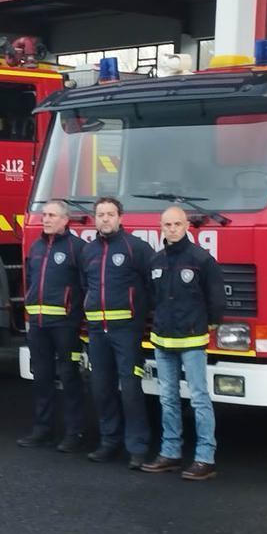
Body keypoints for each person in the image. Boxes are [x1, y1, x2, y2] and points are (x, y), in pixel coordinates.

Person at [141, 206, 225, 481]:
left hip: (192, 340)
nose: (172, 229)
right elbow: (152, 298)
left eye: (177, 224)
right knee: (168, 399)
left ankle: (205, 458)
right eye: (167, 224)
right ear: (160, 227)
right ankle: (170, 453)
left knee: (199, 398)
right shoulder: (156, 261)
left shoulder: (202, 259)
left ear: (187, 225)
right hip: (162, 340)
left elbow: (216, 300)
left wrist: (208, 324)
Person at [80, 196, 154, 469]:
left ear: (120, 217)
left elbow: (151, 285)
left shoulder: (136, 248)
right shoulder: (88, 251)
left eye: (110, 214)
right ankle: (109, 442)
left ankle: (137, 448)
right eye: (101, 214)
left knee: (131, 390)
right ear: (95, 218)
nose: (105, 219)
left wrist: (139, 320)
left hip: (126, 331)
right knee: (101, 388)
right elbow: (84, 286)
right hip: (97, 331)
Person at [17, 200, 88, 452]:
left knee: (69, 378)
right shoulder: (36, 247)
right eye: (44, 214)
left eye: (52, 215)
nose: (45, 219)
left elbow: (85, 287)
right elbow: (30, 283)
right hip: (37, 324)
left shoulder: (77, 248)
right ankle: (43, 429)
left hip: (64, 325)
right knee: (42, 378)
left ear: (65, 220)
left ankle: (74, 432)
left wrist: (74, 317)